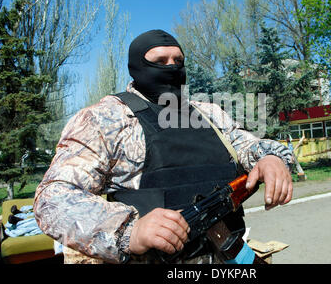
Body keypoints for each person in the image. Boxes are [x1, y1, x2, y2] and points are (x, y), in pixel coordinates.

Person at [34, 29, 294, 264]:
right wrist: (129, 230)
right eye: (159, 62)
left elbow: (249, 145)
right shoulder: (104, 119)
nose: (171, 67)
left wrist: (270, 158)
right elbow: (52, 198)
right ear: (136, 66)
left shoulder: (209, 113)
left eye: (177, 61)